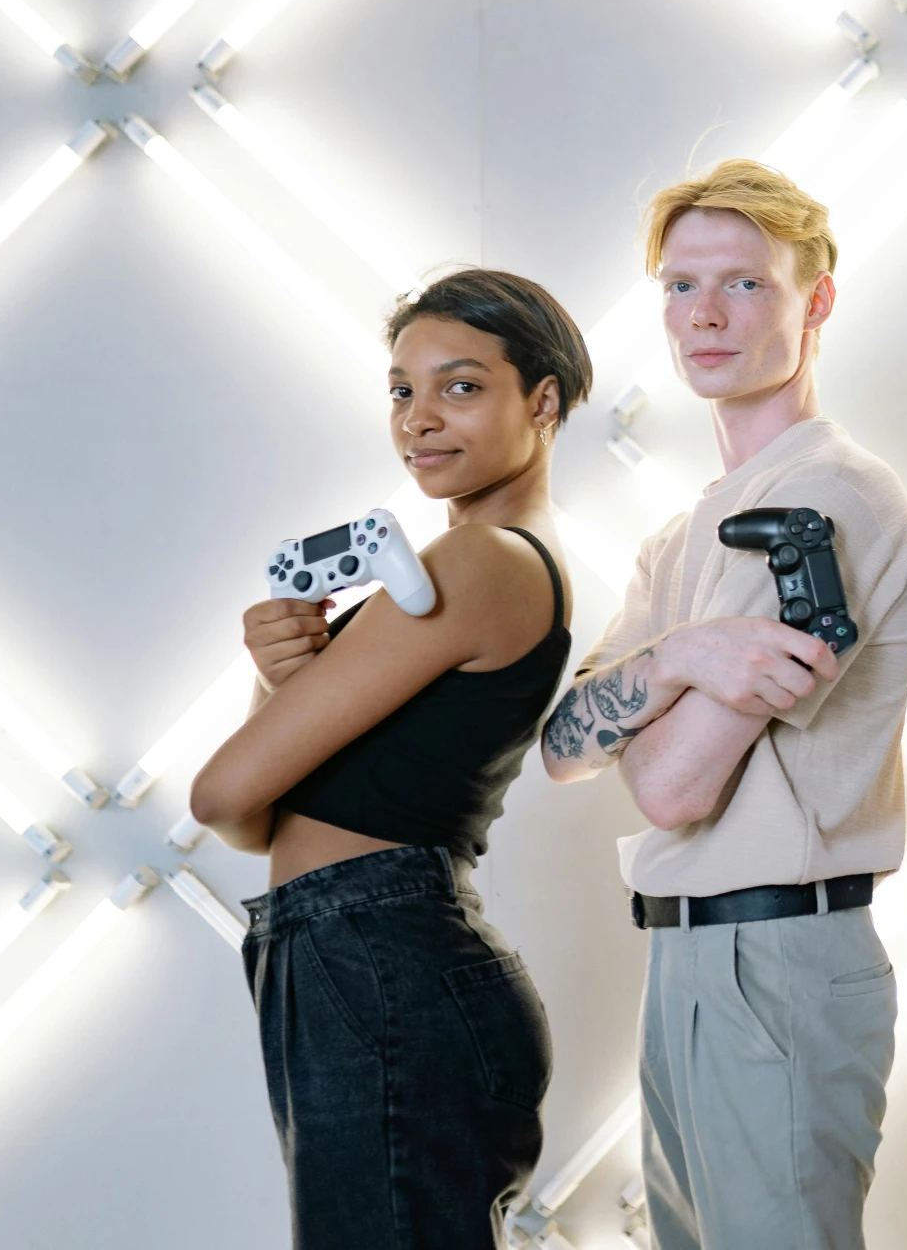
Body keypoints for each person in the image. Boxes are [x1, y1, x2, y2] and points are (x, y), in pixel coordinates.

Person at [538, 159, 907, 1250]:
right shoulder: (697, 525)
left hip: (778, 963)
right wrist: (683, 657)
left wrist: (648, 684)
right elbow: (565, 742)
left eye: (746, 283)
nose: (703, 314)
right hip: (696, 960)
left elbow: (665, 785)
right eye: (679, 284)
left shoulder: (822, 498)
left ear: (819, 299)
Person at [191, 268, 590, 1249]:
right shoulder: (444, 570)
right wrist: (282, 672)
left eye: (461, 386)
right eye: (402, 390)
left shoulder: (479, 561)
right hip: (356, 961)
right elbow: (251, 828)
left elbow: (222, 789)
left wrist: (285, 698)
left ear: (542, 401)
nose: (420, 418)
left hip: (382, 964)